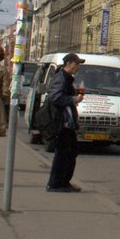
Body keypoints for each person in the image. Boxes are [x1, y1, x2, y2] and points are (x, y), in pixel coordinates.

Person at [46, 53, 85, 193]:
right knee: (64, 153)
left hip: (66, 122)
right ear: (69, 63)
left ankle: (62, 182)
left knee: (69, 152)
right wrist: (73, 100)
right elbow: (55, 98)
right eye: (77, 64)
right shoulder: (61, 77)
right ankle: (56, 183)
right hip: (61, 122)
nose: (78, 67)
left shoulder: (66, 78)